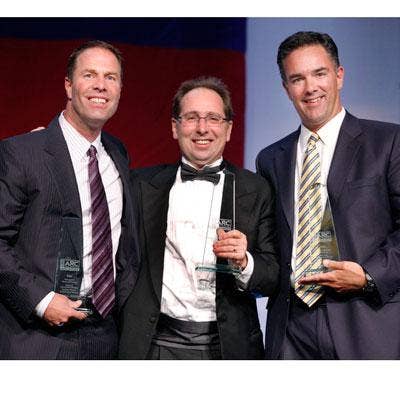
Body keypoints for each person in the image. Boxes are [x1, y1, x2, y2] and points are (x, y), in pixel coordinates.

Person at [256, 31, 400, 359]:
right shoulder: (270, 159)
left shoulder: (389, 142)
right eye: (297, 79)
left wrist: (368, 276)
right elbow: (270, 245)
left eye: (319, 73)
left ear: (339, 76)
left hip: (366, 321)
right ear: (286, 88)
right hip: (291, 330)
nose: (310, 88)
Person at [118, 76, 279, 359]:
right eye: (191, 118)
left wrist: (244, 262)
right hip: (154, 345)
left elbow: (272, 275)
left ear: (228, 129)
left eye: (213, 118)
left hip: (228, 348)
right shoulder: (140, 185)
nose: (202, 128)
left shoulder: (256, 189)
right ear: (175, 127)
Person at [0, 40, 139, 359]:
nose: (101, 85)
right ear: (68, 85)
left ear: (120, 89)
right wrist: (41, 300)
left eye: (110, 77)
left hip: (105, 335)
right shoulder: (22, 152)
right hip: (36, 337)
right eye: (89, 75)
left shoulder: (118, 154)